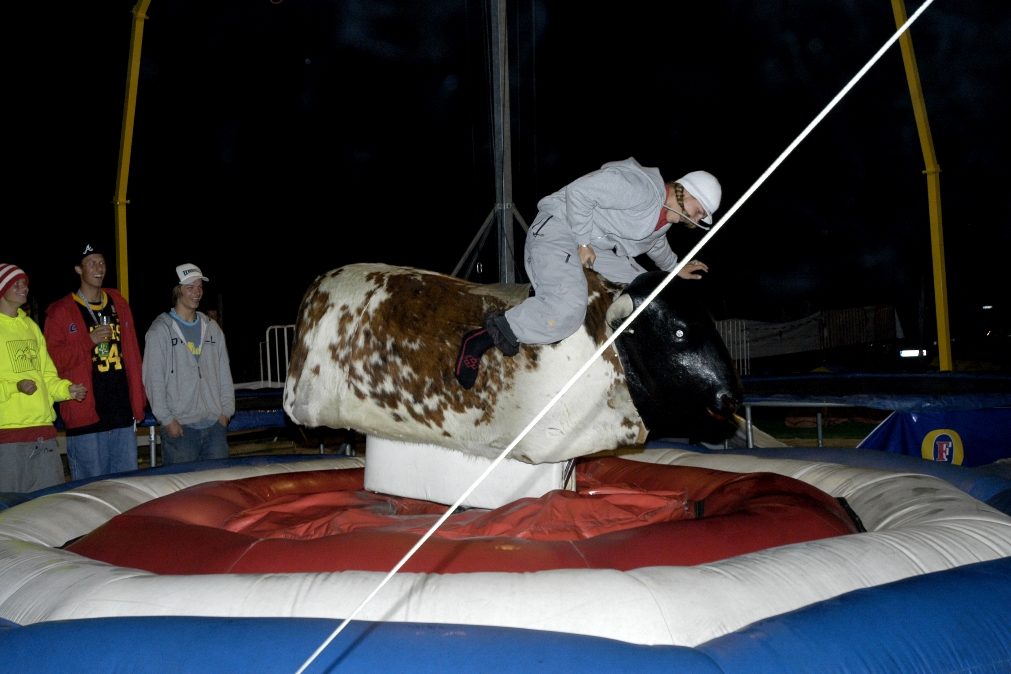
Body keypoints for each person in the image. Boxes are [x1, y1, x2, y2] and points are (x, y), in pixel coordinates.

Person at [454, 157, 722, 389]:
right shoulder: (638, 187)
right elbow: (579, 193)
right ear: (685, 192)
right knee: (567, 310)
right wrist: (582, 243)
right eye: (698, 212)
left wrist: (674, 267)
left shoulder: (661, 221)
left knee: (649, 287)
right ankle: (486, 336)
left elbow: (655, 243)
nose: (695, 221)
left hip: (593, 245)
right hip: (559, 228)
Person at [44, 242, 147, 480]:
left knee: (126, 490)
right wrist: (87, 340)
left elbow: (133, 354)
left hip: (121, 413)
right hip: (86, 417)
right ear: (79, 270)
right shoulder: (61, 311)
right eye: (92, 263)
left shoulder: (118, 302)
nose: (99, 268)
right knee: (91, 493)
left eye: (101, 262)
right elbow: (52, 362)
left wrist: (138, 399)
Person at [0, 264, 87, 492]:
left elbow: (47, 375)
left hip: (43, 432)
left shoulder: (30, 327)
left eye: (25, 283)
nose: (24, 288)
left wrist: (67, 390)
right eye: (15, 283)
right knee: (10, 512)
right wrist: (15, 387)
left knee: (48, 506)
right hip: (7, 436)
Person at [142, 263, 235, 465]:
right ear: (178, 291)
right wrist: (167, 421)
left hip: (214, 428)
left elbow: (224, 374)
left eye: (199, 286)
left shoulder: (212, 329)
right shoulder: (160, 330)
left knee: (218, 490)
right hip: (181, 430)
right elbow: (153, 379)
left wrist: (226, 413)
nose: (197, 292)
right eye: (190, 287)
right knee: (184, 494)